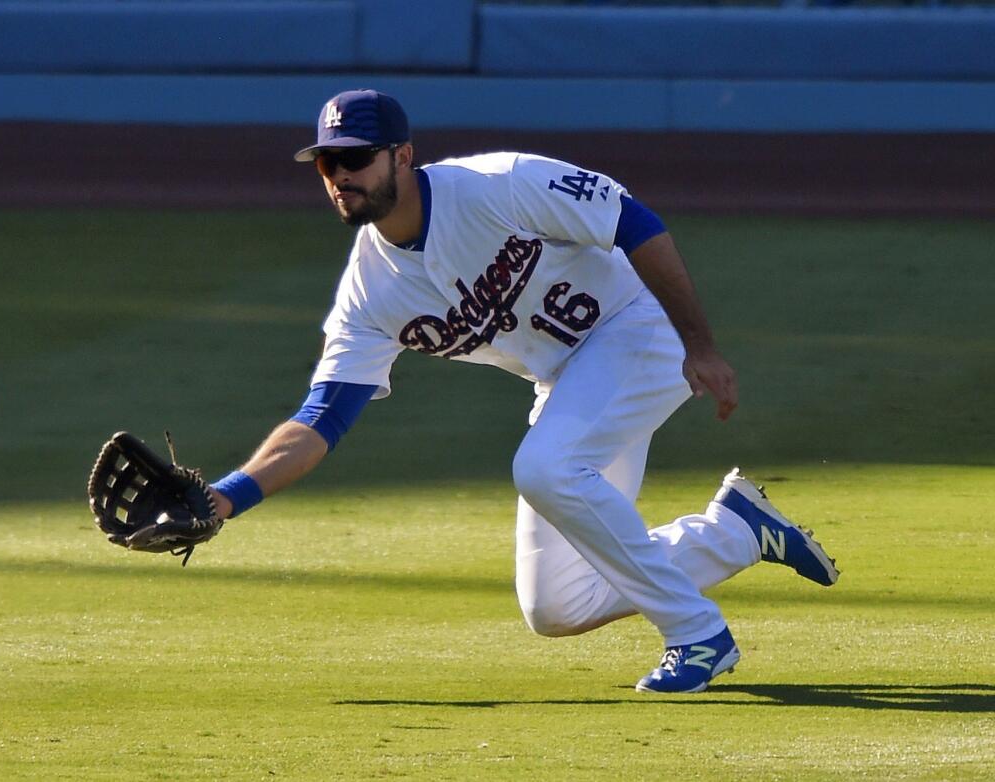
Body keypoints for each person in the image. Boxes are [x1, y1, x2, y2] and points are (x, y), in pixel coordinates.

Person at [204, 89, 839, 694]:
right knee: (557, 605)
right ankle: (736, 532)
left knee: (544, 466)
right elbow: (321, 421)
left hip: (638, 325)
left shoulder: (497, 184)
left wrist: (698, 343)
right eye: (327, 162)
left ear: (402, 155)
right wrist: (223, 500)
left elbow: (631, 220)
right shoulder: (370, 293)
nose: (339, 174)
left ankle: (698, 634)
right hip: (569, 380)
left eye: (355, 157)